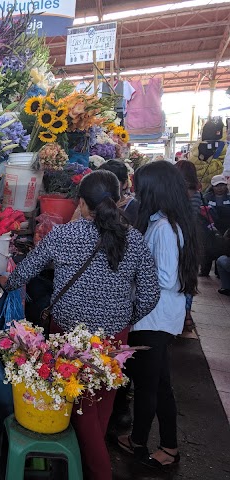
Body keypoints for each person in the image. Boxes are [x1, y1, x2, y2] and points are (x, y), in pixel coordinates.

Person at [0, 170, 161, 480]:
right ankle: (86, 466)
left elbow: (25, 272)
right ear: (118, 199)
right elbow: (151, 295)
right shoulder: (134, 239)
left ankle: (98, 472)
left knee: (80, 410)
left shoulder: (63, 235)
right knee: (100, 408)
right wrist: (123, 320)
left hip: (70, 338)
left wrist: (5, 282)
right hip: (115, 339)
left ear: (82, 204)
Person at [118, 161, 198, 469]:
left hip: (154, 318)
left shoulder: (164, 228)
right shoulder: (165, 221)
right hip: (160, 317)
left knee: (148, 385)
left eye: (140, 186)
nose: (136, 191)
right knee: (160, 384)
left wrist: (133, 270)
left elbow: (167, 278)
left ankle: (138, 442)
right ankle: (169, 446)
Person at [174, 160, 202, 332]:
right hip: (192, 236)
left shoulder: (177, 194)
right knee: (189, 274)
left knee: (177, 275)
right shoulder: (197, 193)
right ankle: (187, 314)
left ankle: (182, 313)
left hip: (178, 235)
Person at [71, 159, 139, 225]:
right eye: (101, 181)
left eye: (114, 181)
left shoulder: (133, 207)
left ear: (125, 184)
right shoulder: (88, 202)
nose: (105, 186)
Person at [200, 175, 230, 276]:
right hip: (210, 228)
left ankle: (220, 271)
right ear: (212, 186)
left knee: (223, 249)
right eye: (217, 186)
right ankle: (204, 271)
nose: (220, 188)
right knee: (207, 250)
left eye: (222, 185)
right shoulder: (206, 198)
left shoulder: (229, 197)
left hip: (225, 228)